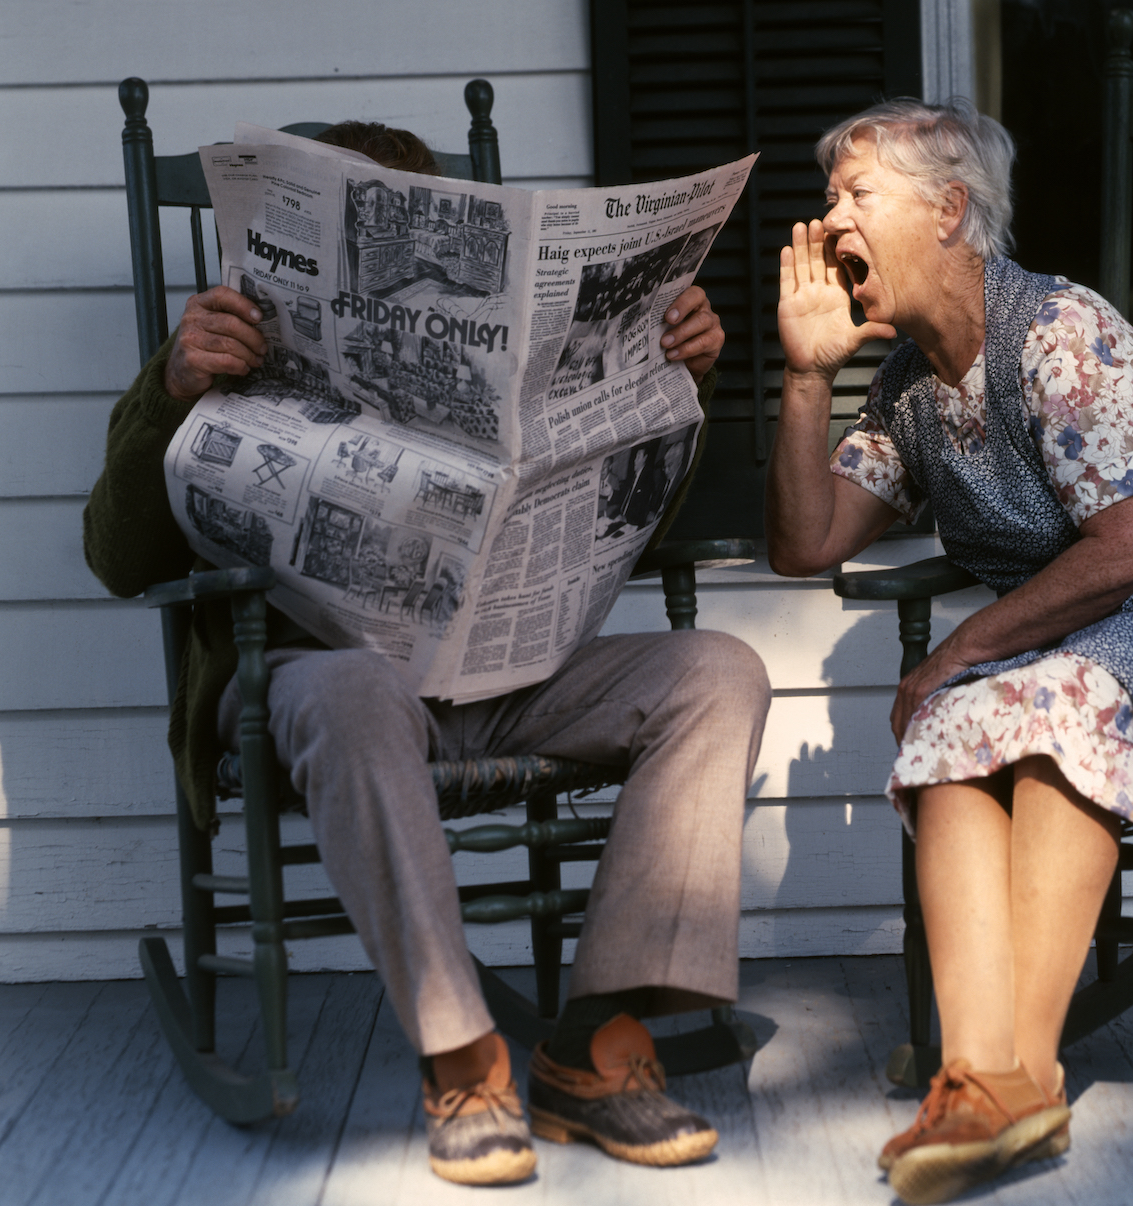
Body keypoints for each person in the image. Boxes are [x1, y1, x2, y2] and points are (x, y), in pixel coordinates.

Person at [84, 121, 770, 1187]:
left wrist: (681, 378)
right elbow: (117, 558)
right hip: (321, 689)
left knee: (717, 671)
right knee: (357, 687)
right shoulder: (216, 344)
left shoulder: (518, 358)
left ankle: (593, 1035)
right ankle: (462, 1057)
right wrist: (170, 389)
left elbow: (626, 518)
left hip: (506, 677)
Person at [766, 99, 1133, 1205]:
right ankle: (984, 1082)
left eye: (854, 194)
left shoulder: (1056, 333)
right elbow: (806, 544)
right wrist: (803, 377)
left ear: (947, 210)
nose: (828, 217)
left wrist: (963, 644)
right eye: (829, 194)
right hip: (1098, 631)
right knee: (957, 722)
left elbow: (1132, 547)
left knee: (1042, 701)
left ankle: (1017, 1079)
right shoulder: (905, 386)